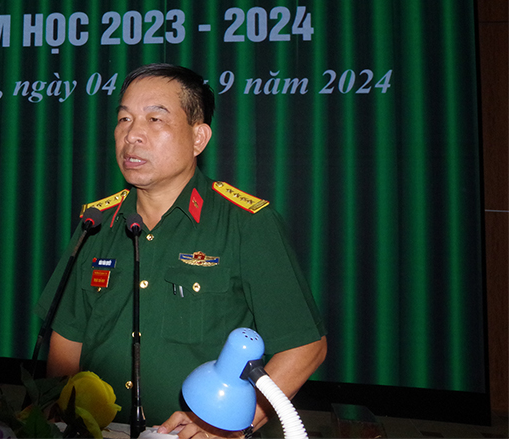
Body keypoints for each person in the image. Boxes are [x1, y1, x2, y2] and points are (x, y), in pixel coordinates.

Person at [35, 63, 326, 438]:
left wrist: (229, 424)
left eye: (154, 119)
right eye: (124, 119)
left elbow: (306, 347)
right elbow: (67, 339)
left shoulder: (247, 224)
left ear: (198, 138)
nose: (132, 135)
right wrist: (59, 414)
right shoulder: (96, 223)